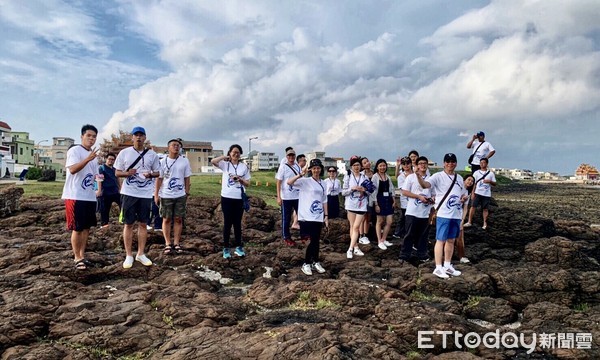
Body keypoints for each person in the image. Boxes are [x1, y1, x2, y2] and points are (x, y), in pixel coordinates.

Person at [416, 153, 468, 279]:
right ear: (444, 163)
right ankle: (438, 267)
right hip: (444, 214)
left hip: (456, 214)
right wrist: (418, 176)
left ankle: (447, 265)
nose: (450, 163)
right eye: (448, 161)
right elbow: (425, 185)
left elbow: (462, 193)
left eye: (453, 161)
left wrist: (463, 198)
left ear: (456, 163)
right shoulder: (437, 176)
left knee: (451, 240)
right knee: (440, 240)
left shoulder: (459, 178)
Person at [114, 126, 160, 269]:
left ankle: (140, 253)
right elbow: (117, 173)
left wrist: (150, 175)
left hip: (146, 193)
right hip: (129, 192)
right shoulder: (124, 153)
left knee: (143, 223)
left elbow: (158, 172)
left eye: (141, 135)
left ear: (145, 137)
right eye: (136, 135)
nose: (139, 137)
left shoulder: (152, 155)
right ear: (132, 137)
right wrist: (128, 173)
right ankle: (128, 255)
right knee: (128, 224)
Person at [61, 124, 100, 270]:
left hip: (89, 196)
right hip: (75, 195)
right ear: (82, 136)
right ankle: (77, 257)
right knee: (77, 228)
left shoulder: (94, 156)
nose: (91, 138)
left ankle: (82, 255)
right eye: (88, 135)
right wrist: (88, 159)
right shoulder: (75, 150)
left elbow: (96, 176)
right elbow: (72, 169)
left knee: (86, 227)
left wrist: (98, 189)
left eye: (94, 136)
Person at [287, 158, 329, 275]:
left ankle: (315, 261)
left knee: (316, 241)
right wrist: (300, 174)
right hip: (306, 216)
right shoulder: (305, 181)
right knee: (310, 241)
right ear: (311, 169)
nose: (316, 170)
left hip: (318, 216)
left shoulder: (324, 183)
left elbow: (324, 200)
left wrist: (326, 216)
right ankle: (306, 263)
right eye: (314, 168)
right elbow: (289, 182)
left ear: (321, 169)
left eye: (318, 168)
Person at [211, 144, 251, 259]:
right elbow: (213, 161)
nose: (236, 154)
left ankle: (239, 247)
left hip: (239, 198)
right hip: (227, 197)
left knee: (237, 223)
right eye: (233, 152)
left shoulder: (244, 167)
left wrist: (240, 179)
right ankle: (226, 248)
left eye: (238, 152)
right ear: (230, 153)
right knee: (227, 223)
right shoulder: (225, 165)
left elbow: (248, 183)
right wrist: (224, 157)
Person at [154, 139, 192, 255]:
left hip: (180, 194)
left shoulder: (184, 161)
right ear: (168, 147)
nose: (176, 147)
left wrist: (186, 192)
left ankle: (176, 243)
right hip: (166, 194)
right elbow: (159, 179)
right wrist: (156, 194)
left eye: (178, 145)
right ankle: (167, 243)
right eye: (173, 145)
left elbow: (187, 178)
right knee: (166, 219)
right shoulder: (162, 161)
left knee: (178, 219)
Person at [400, 156, 433, 263]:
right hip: (412, 211)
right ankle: (404, 255)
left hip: (425, 212)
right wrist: (418, 197)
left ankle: (422, 255)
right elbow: (404, 192)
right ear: (416, 165)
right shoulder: (411, 177)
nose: (423, 165)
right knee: (409, 234)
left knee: (423, 236)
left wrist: (431, 199)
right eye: (420, 163)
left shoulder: (431, 178)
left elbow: (434, 194)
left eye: (425, 163)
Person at [342, 156, 372, 259]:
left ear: (361, 166)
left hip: (361, 205)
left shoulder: (365, 177)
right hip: (350, 204)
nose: (356, 167)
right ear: (351, 166)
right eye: (354, 165)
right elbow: (343, 192)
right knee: (352, 227)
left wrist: (363, 190)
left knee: (356, 227)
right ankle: (356, 247)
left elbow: (370, 191)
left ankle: (350, 249)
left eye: (358, 165)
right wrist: (352, 188)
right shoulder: (348, 177)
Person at [275, 147, 301, 246]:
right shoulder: (283, 167)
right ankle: (286, 237)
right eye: (289, 155)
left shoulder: (297, 166)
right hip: (286, 196)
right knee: (286, 218)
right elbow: (278, 182)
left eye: (293, 155)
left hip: (297, 195)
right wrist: (278, 196)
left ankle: (303, 234)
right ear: (286, 156)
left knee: (301, 215)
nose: (291, 157)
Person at [465, 157, 497, 229]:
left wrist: (489, 181)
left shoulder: (491, 173)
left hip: (486, 194)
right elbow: (474, 183)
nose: (482, 164)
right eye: (481, 163)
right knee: (473, 207)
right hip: (477, 193)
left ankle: (485, 223)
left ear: (487, 163)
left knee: (485, 209)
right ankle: (469, 221)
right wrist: (473, 192)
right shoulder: (476, 173)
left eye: (484, 163)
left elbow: (495, 183)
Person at [371, 159, 395, 250]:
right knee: (380, 221)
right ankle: (379, 241)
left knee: (389, 221)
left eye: (384, 165)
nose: (382, 167)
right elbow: (373, 192)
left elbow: (392, 189)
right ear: (377, 167)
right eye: (380, 166)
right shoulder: (375, 177)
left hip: (388, 200)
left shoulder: (387, 176)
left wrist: (393, 200)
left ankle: (384, 239)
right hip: (379, 200)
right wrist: (376, 204)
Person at [97, 153, 120, 228]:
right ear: (106, 159)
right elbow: (99, 179)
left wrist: (120, 188)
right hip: (106, 191)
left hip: (115, 191)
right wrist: (99, 190)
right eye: (109, 159)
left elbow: (118, 178)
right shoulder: (101, 168)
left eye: (113, 159)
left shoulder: (114, 169)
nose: (111, 161)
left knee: (123, 204)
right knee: (105, 209)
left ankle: (123, 220)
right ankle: (104, 224)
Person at [457, 175, 475, 264]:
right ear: (464, 180)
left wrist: (463, 219)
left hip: (458, 216)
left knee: (460, 237)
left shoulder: (467, 192)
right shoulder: (457, 188)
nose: (470, 182)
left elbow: (465, 207)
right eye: (469, 180)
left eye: (472, 181)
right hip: (449, 214)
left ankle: (462, 256)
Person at [393, 156, 412, 238]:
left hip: (414, 200)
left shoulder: (415, 174)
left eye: (408, 163)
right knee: (404, 216)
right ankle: (399, 232)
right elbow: (403, 188)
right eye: (404, 164)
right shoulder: (401, 176)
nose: (406, 165)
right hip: (405, 199)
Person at [359, 157, 374, 244]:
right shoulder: (361, 175)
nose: (367, 163)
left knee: (368, 218)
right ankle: (361, 235)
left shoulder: (374, 173)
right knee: (362, 217)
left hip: (371, 198)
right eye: (364, 163)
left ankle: (366, 235)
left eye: (367, 161)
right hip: (363, 197)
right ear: (362, 165)